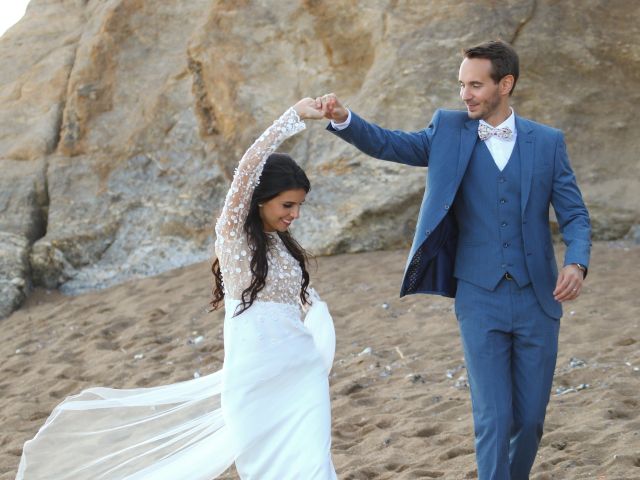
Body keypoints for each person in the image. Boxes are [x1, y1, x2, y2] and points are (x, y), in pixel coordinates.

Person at [16, 98, 338, 480]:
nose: (294, 214)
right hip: (255, 382)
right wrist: (293, 117)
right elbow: (247, 171)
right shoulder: (235, 240)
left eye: (300, 206)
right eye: (287, 204)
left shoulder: (284, 249)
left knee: (316, 465)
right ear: (260, 200)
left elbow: (300, 302)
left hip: (303, 374)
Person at [314, 40, 591, 479]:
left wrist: (576, 262)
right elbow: (391, 144)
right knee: (493, 419)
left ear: (506, 84)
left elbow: (574, 213)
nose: (465, 94)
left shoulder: (548, 142)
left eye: (476, 85)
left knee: (530, 421)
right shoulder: (447, 130)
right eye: (462, 84)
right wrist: (343, 119)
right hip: (479, 298)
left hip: (539, 297)